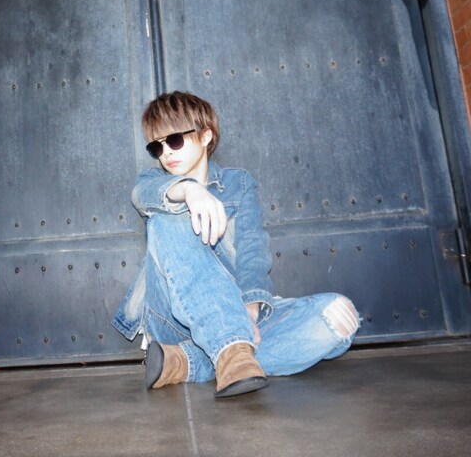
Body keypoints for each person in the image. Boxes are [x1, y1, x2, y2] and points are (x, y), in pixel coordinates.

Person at [113, 91, 360, 398]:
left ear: (205, 136)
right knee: (167, 220)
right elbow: (142, 195)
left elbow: (252, 251)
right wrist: (189, 190)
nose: (165, 153)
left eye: (174, 140)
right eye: (156, 146)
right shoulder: (153, 180)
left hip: (235, 310)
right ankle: (231, 352)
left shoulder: (238, 184)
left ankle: (189, 362)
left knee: (338, 315)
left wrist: (250, 312)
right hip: (173, 323)